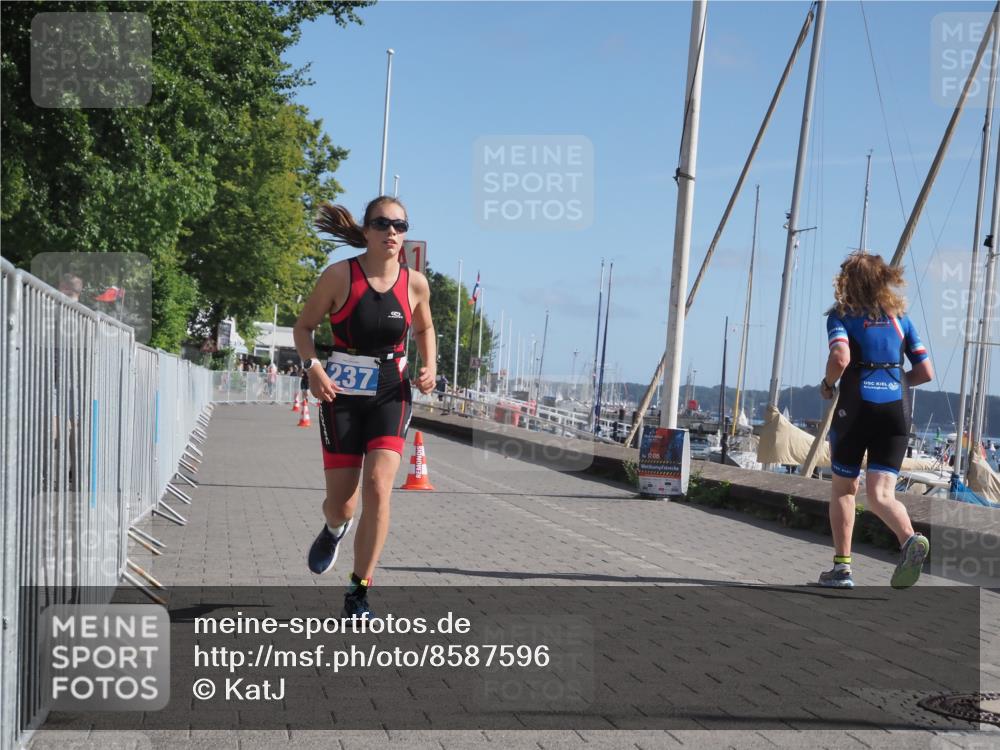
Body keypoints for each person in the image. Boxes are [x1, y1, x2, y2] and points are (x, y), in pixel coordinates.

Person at [293, 197, 436, 620]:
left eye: (400, 224)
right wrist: (312, 367)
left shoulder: (415, 283)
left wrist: (429, 365)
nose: (392, 232)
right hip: (341, 394)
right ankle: (335, 528)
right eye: (382, 223)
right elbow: (303, 327)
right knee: (342, 503)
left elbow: (425, 326)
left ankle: (359, 591)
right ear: (367, 230)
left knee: (378, 486)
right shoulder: (339, 276)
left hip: (391, 391)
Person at [819, 251, 933, 589]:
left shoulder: (841, 316)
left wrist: (828, 385)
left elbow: (840, 357)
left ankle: (842, 569)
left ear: (848, 283)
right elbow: (925, 372)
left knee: (844, 488)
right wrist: (895, 384)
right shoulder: (902, 318)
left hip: (856, 408)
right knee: (881, 494)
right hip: (897, 410)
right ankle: (910, 540)